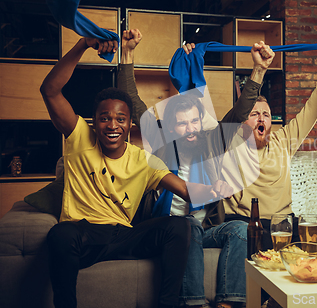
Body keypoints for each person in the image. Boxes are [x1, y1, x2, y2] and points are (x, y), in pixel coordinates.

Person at [40, 36, 229, 308]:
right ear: (94, 122)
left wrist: (215, 189)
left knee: (177, 225)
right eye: (104, 118)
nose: (112, 125)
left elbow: (186, 190)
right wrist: (83, 45)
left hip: (122, 234)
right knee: (59, 234)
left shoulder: (143, 160)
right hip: (83, 233)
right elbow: (50, 91)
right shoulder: (80, 137)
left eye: (120, 119)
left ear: (130, 125)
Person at [118, 29, 275, 308]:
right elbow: (132, 101)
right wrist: (127, 54)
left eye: (194, 122)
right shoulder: (161, 144)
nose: (190, 129)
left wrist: (258, 71)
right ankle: (194, 304)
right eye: (182, 124)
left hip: (204, 229)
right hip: (166, 229)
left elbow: (239, 113)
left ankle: (230, 303)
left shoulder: (212, 143)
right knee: (187, 224)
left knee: (240, 228)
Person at [222, 46, 317, 250]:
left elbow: (313, 109)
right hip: (245, 223)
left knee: (311, 247)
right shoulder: (229, 143)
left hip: (283, 223)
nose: (261, 118)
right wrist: (259, 70)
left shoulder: (282, 141)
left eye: (266, 115)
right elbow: (237, 113)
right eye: (254, 114)